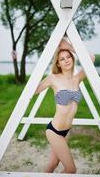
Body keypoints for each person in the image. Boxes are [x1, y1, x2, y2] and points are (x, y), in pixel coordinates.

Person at [35, 37, 95, 173]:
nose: (66, 60)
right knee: (71, 169)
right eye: (62, 59)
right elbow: (35, 90)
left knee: (52, 164)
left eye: (68, 57)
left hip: (65, 132)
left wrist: (70, 47)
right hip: (54, 131)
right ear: (58, 63)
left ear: (73, 59)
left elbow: (91, 58)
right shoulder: (53, 78)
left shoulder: (77, 78)